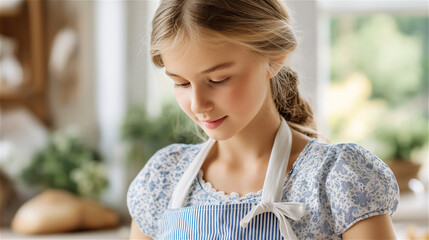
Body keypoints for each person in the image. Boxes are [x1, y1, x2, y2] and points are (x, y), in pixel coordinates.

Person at [127, 0, 399, 239]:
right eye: (182, 83)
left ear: (273, 58)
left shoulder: (336, 179)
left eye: (218, 79)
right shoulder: (162, 179)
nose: (198, 104)